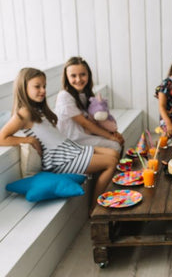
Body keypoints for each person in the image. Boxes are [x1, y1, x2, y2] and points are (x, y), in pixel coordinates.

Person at [0, 68, 118, 212]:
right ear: (23, 88)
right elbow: (2, 138)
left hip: (70, 149)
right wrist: (28, 140)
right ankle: (95, 210)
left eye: (44, 86)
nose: (43, 90)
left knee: (113, 153)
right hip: (61, 160)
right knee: (111, 162)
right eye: (37, 86)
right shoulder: (23, 113)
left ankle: (104, 195)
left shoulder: (38, 109)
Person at [55, 57, 124, 153]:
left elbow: (97, 120)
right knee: (115, 146)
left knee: (119, 140)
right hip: (73, 140)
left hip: (84, 135)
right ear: (67, 77)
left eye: (82, 74)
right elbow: (85, 123)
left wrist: (113, 133)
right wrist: (110, 136)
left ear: (88, 75)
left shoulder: (86, 94)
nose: (78, 79)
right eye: (73, 76)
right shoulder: (65, 96)